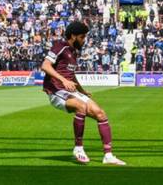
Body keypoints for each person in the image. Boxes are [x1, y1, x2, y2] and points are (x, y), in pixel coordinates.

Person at [41, 21, 126, 166]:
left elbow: (71, 75)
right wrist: (63, 80)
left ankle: (108, 156)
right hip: (56, 90)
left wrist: (82, 91)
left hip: (70, 91)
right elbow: (45, 65)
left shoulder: (74, 52)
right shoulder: (59, 46)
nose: (84, 40)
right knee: (81, 107)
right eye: (82, 37)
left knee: (100, 113)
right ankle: (78, 148)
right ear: (73, 36)